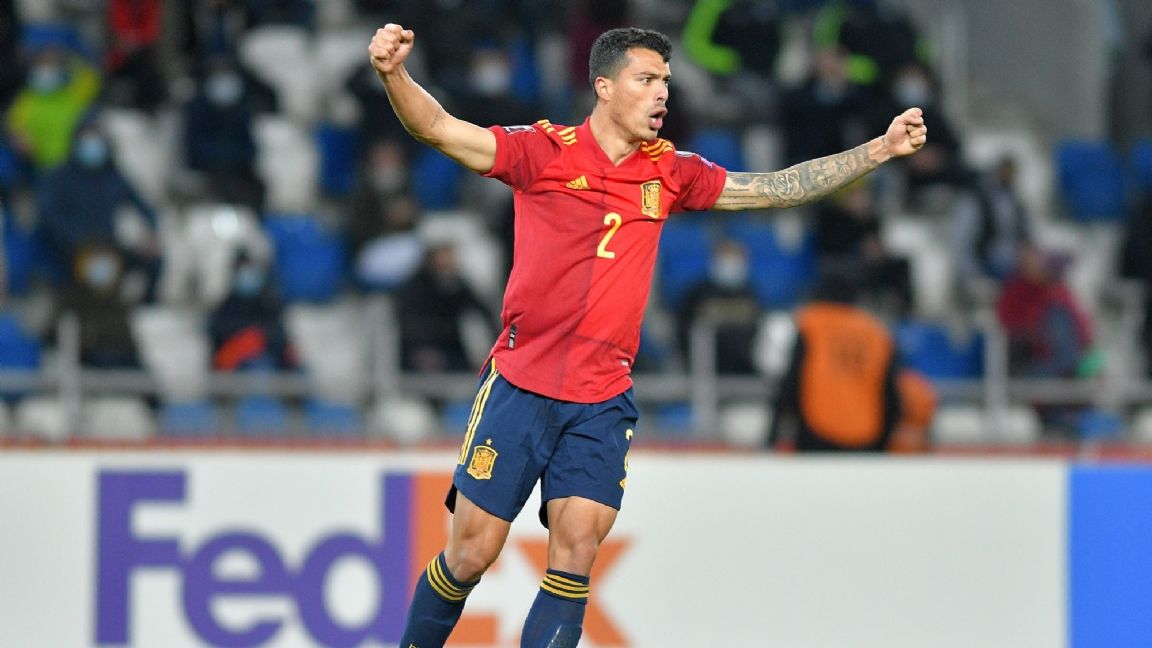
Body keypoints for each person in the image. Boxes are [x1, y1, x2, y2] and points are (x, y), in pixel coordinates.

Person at [369, 22, 926, 647]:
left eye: (665, 80)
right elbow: (438, 127)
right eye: (646, 79)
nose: (662, 93)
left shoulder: (671, 171)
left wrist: (877, 150)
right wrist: (394, 74)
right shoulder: (543, 152)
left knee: (577, 551)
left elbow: (774, 189)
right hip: (521, 383)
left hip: (601, 397)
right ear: (604, 87)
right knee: (472, 554)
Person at [767, 271, 902, 452]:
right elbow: (890, 394)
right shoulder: (876, 332)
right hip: (866, 435)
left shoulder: (812, 323)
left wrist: (772, 434)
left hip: (816, 432)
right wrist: (882, 444)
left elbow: (792, 381)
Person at [675, 238, 763, 375]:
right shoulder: (699, 292)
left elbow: (758, 327)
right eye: (726, 256)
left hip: (743, 368)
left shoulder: (750, 293)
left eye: (736, 257)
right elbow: (682, 327)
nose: (731, 263)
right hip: (704, 366)